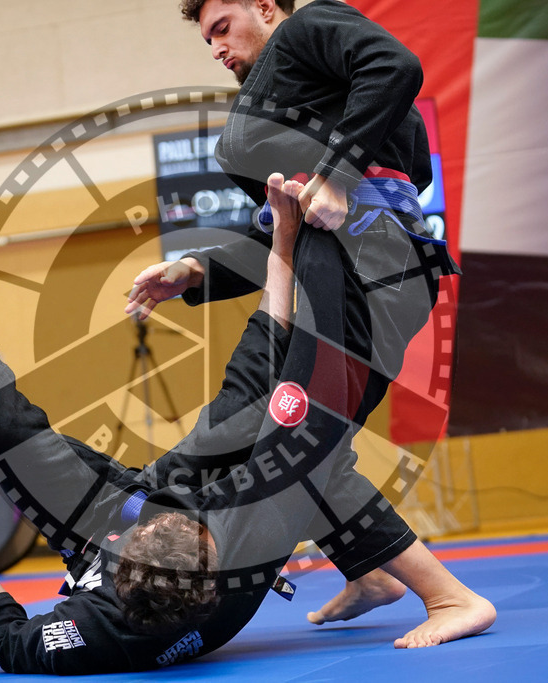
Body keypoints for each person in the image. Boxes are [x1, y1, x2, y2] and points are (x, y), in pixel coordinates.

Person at [0, 180, 491, 675]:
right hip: (189, 522)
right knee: (291, 430)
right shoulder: (238, 539)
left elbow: (8, 641)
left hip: (97, 521)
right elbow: (270, 376)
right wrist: (287, 246)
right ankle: (437, 590)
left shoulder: (90, 630)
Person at [125, 0, 471, 636]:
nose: (216, 49)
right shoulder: (292, 103)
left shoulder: (309, 28)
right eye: (206, 41)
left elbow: (394, 65)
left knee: (297, 440)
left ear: (265, 7)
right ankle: (368, 571)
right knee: (291, 441)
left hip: (364, 269)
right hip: (333, 269)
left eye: (222, 28)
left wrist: (337, 174)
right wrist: (198, 270)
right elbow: (282, 227)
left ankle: (452, 600)